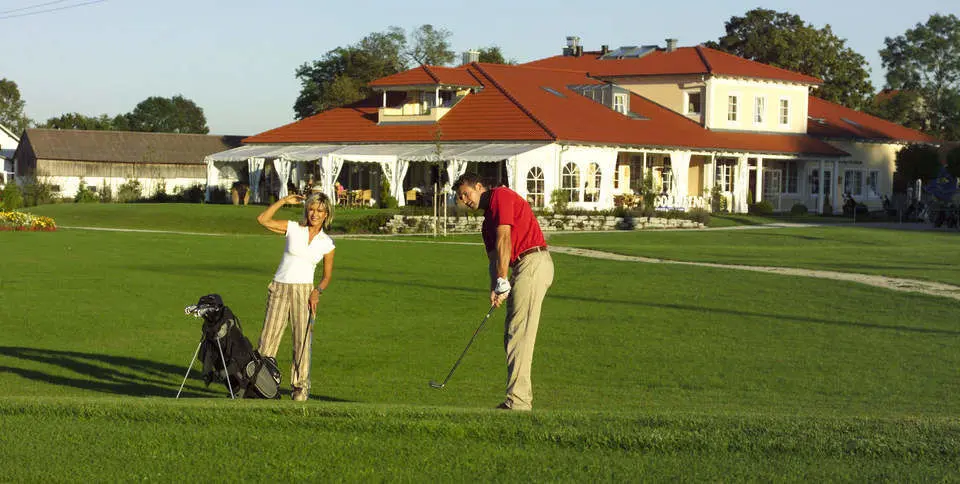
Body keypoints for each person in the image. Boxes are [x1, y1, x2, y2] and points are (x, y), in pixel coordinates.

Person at [453, 173, 554, 411]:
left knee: (519, 333)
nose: (464, 200)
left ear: (479, 186)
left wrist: (502, 279)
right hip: (521, 268)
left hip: (533, 262)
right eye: (459, 197)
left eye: (466, 194)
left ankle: (518, 403)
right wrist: (495, 287)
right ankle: (518, 398)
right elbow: (494, 258)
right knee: (513, 333)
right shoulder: (486, 222)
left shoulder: (501, 196)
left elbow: (504, 238)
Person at [256, 192, 336, 401]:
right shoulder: (293, 228)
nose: (314, 214)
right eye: (311, 209)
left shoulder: (327, 243)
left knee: (301, 341)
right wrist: (283, 201)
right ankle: (260, 384)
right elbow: (262, 220)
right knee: (268, 339)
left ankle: (300, 389)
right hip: (280, 288)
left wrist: (317, 292)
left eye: (319, 210)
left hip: (305, 292)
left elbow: (327, 276)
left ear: (327, 214)